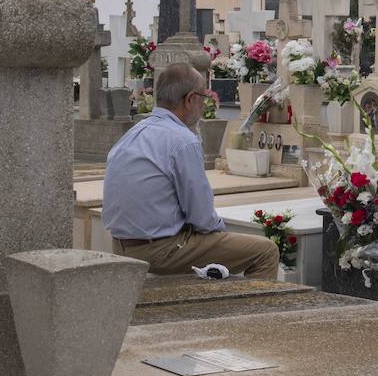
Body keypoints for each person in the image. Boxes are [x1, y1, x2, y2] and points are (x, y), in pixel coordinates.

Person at [102, 62, 279, 279]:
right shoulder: (182, 140)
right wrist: (222, 234)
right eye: (204, 97)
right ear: (190, 99)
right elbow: (202, 217)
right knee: (265, 251)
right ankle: (254, 302)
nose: (204, 105)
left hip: (121, 245)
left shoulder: (133, 134)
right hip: (160, 250)